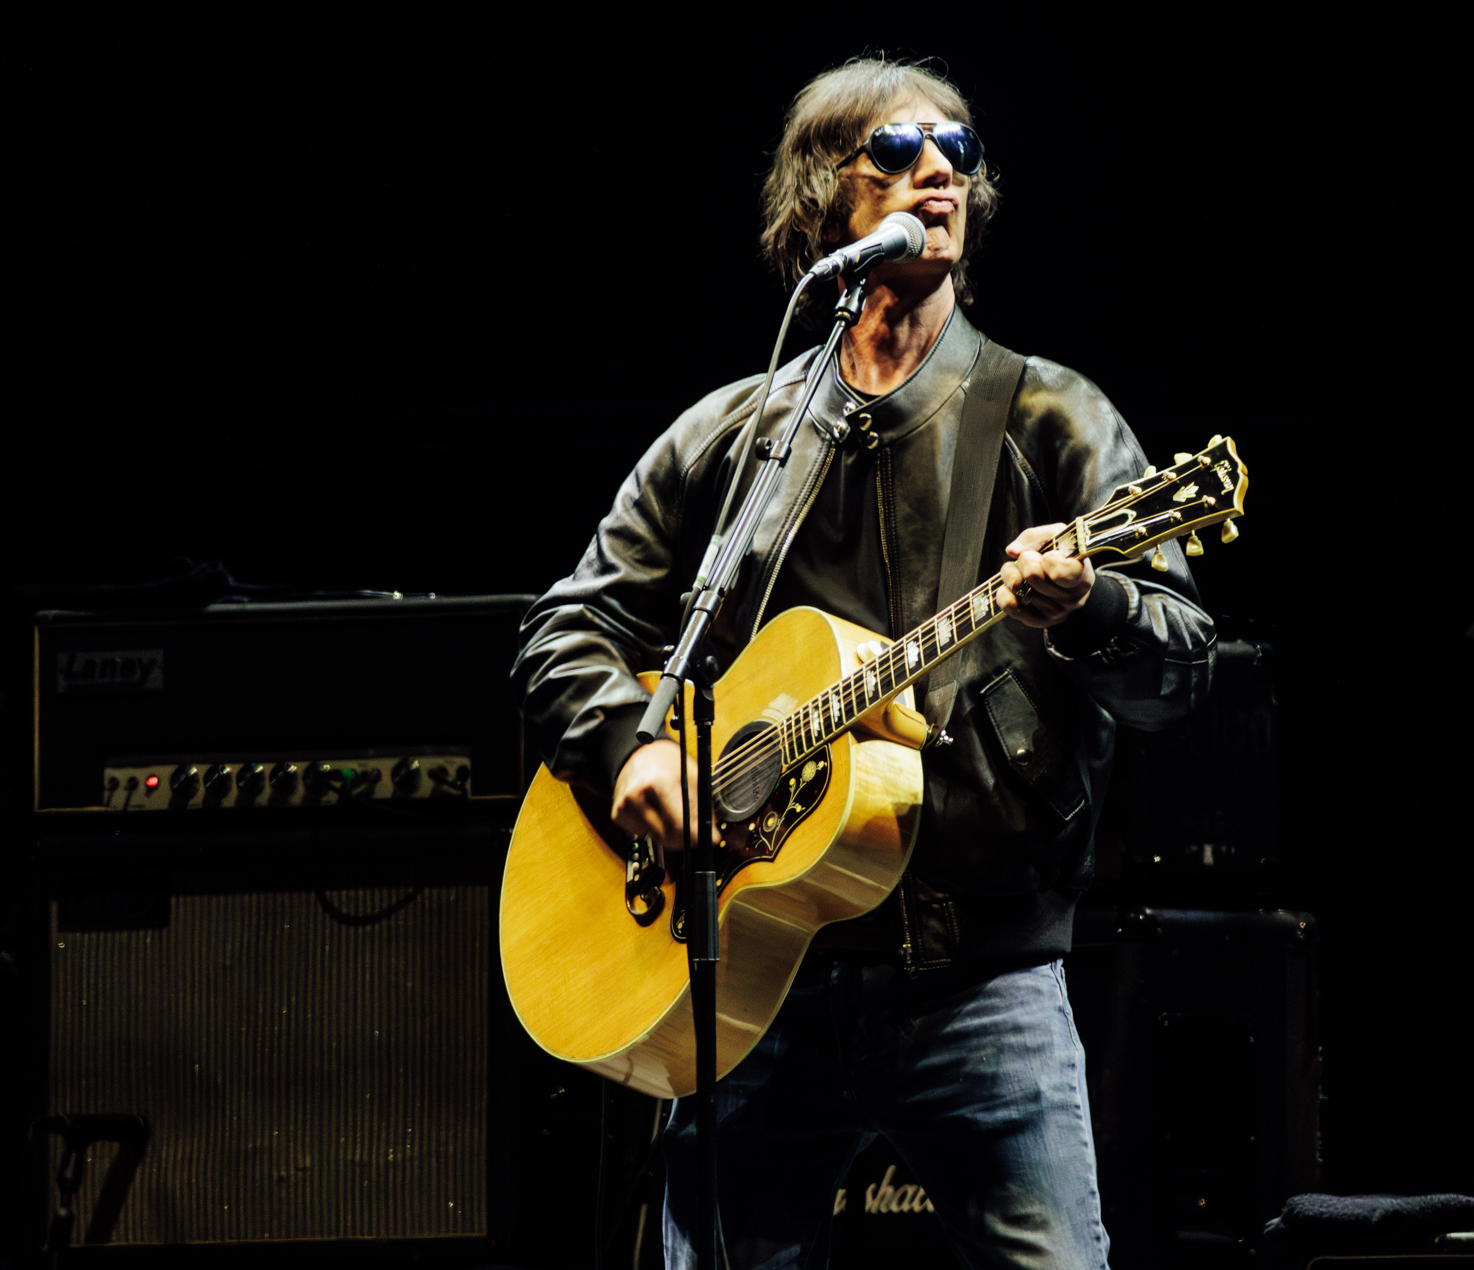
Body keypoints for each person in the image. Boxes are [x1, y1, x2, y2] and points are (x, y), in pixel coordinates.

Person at [513, 56, 1215, 1269]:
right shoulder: (737, 436)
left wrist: (1089, 600)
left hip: (980, 981)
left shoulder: (1049, 417)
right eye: (895, 149)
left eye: (957, 149)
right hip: (757, 971)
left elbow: (1180, 670)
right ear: (817, 199)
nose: (936, 169)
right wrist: (630, 753)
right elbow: (564, 629)